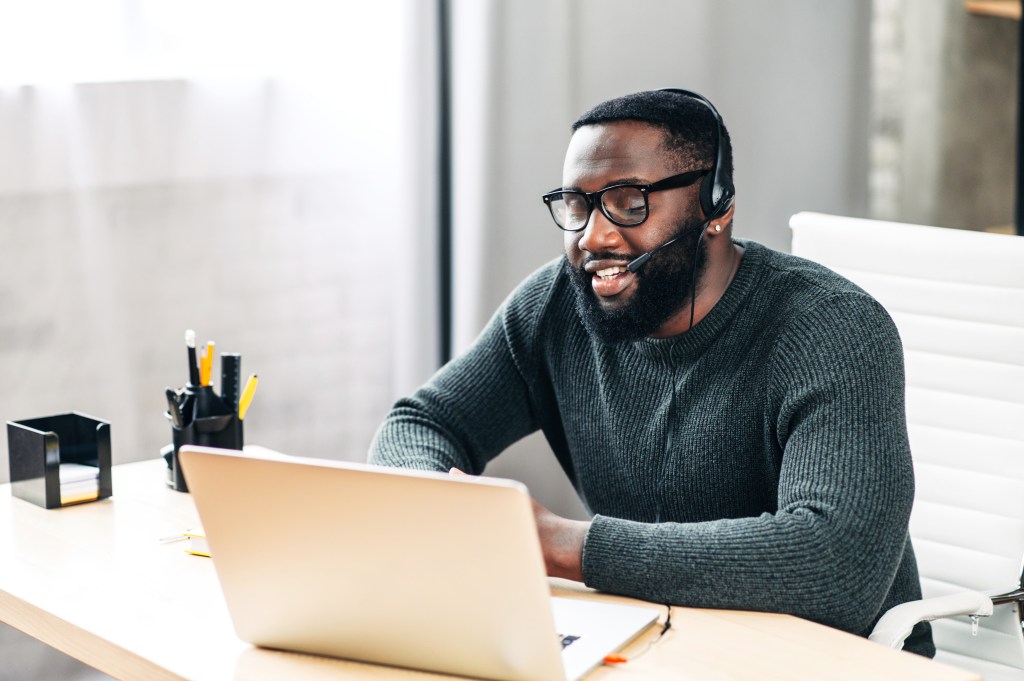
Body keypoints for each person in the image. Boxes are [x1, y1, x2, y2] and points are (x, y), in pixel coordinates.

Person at [369, 88, 933, 656]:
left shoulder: (831, 328)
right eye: (577, 205)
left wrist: (569, 547)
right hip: (663, 642)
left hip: (824, 660)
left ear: (717, 206)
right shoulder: (556, 305)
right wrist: (443, 508)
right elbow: (423, 422)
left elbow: (834, 565)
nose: (594, 236)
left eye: (628, 201)